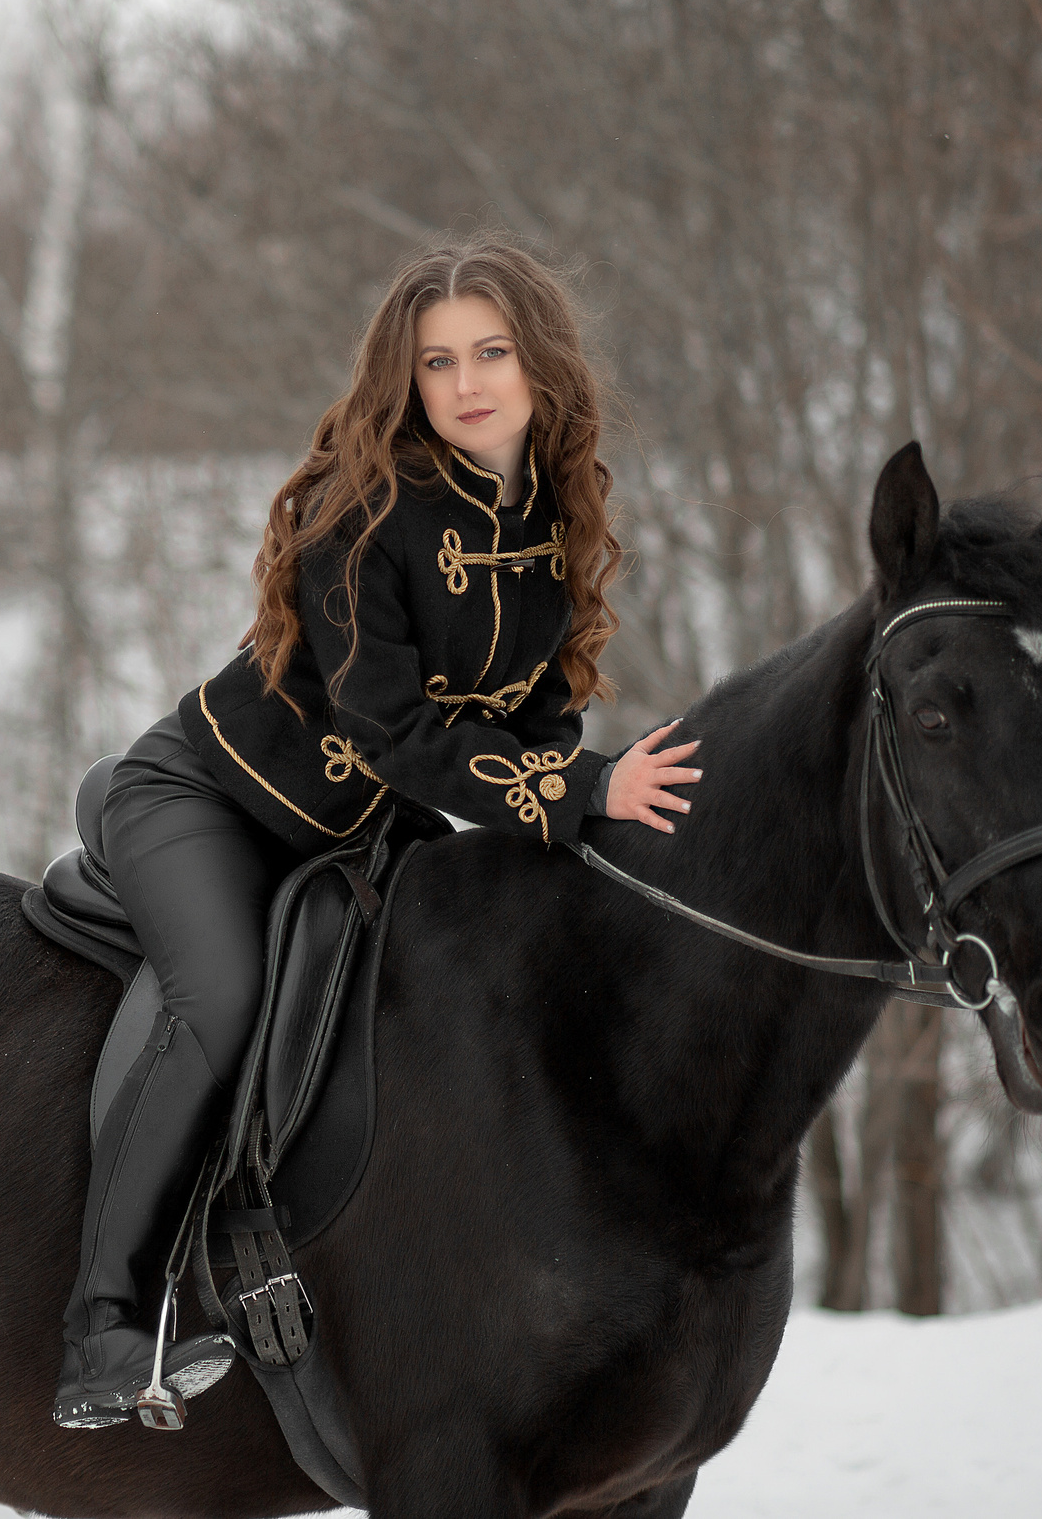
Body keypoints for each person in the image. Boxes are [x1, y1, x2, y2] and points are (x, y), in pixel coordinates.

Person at [53, 236, 706, 1429]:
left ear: (539, 364)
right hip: (204, 802)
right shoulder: (365, 513)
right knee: (222, 999)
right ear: (404, 382)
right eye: (438, 361)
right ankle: (103, 1322)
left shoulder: (557, 521)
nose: (466, 382)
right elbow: (396, 731)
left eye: (491, 352)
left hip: (351, 838)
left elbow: (542, 724)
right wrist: (577, 792)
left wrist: (605, 822)